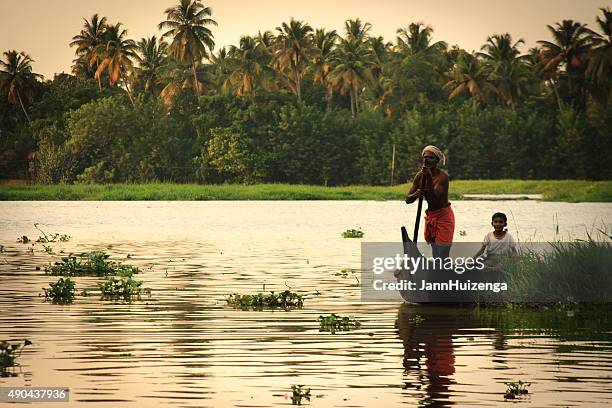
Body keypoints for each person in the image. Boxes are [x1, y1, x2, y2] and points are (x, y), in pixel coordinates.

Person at [405, 145, 454, 259]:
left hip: (444, 216)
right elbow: (408, 199)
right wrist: (416, 194)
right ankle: (436, 273)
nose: (427, 160)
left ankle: (444, 273)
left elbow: (435, 199)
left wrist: (429, 179)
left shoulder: (443, 177)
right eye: (425, 157)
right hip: (431, 216)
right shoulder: (420, 175)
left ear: (437, 160)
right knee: (435, 251)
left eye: (431, 157)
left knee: (442, 253)